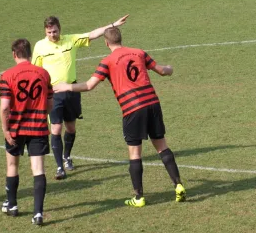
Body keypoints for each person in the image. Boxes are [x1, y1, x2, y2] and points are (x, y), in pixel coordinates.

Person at [53, 27, 186, 207]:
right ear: (121, 39)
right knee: (162, 145)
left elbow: (89, 85)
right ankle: (178, 185)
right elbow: (162, 71)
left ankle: (139, 198)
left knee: (134, 153)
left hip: (132, 108)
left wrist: (67, 87)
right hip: (153, 104)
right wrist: (169, 69)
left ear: (106, 43)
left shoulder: (107, 61)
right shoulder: (139, 53)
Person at [32, 15, 129, 180]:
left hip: (72, 90)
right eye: (49, 32)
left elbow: (92, 34)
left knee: (71, 128)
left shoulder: (70, 40)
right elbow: (35, 71)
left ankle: (67, 156)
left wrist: (112, 25)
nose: (52, 35)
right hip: (53, 94)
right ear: (45, 31)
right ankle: (59, 167)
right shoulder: (40, 47)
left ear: (59, 29)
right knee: (55, 129)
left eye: (54, 31)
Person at [0, 39, 53, 226]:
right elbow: (50, 103)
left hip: (15, 128)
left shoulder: (7, 75)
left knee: (12, 166)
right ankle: (38, 213)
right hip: (38, 127)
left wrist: (6, 129)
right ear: (30, 53)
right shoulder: (44, 74)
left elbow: (5, 107)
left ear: (14, 54)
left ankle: (12, 204)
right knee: (38, 169)